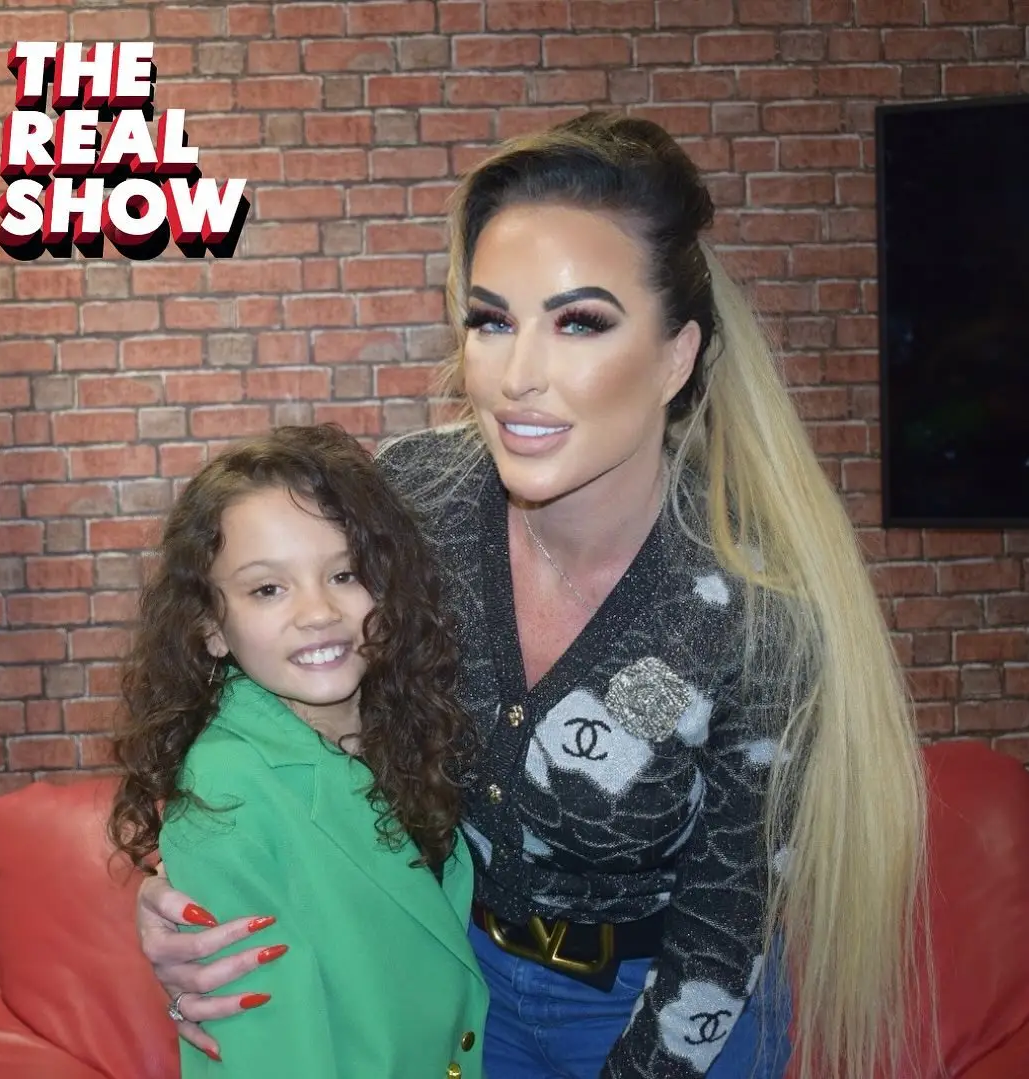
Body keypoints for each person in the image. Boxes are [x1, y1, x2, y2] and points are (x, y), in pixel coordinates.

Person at [134, 112, 929, 1079]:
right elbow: (267, 675)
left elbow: (727, 922)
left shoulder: (752, 605)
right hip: (451, 974)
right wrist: (192, 881)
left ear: (674, 357)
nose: (517, 377)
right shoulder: (411, 500)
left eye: (579, 322)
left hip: (675, 1010)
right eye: (492, 321)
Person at [108, 424, 489, 1078]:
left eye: (344, 573)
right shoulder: (226, 791)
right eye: (267, 589)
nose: (317, 612)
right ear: (210, 626)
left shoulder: (403, 728)